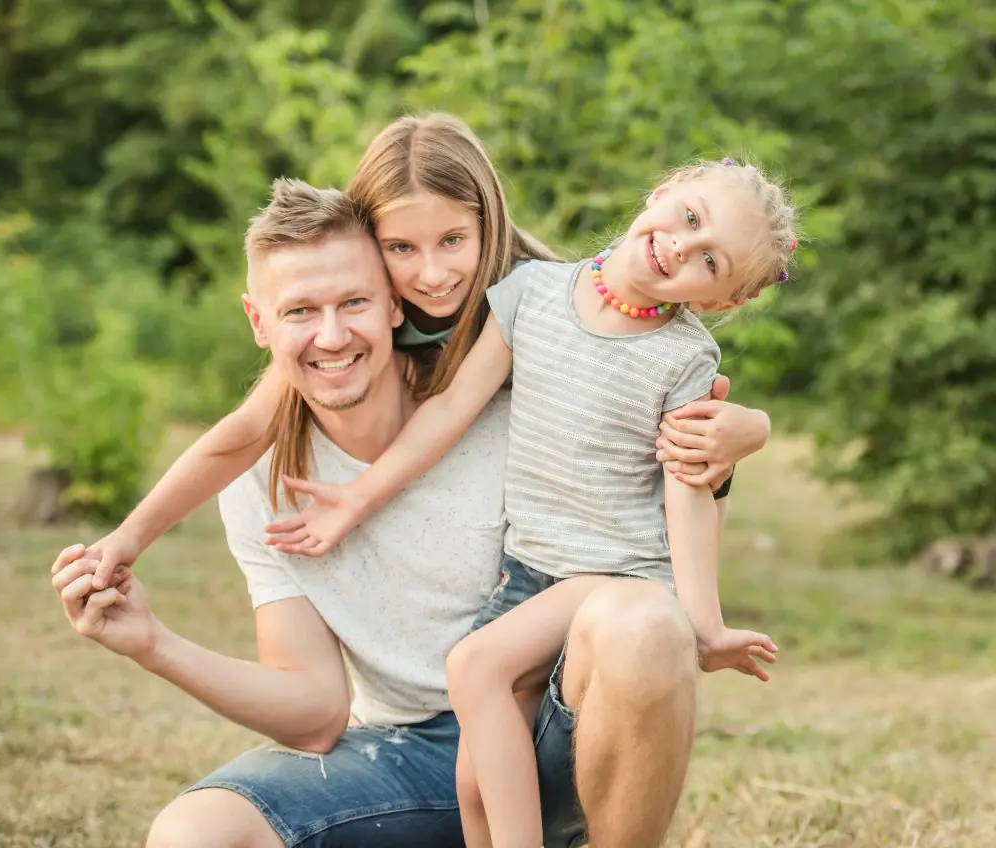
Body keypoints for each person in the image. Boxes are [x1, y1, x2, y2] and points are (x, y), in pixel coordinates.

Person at [57, 178, 696, 848]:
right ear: (258, 321)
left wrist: (733, 433)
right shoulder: (258, 483)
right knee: (193, 834)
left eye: (354, 302)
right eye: (300, 310)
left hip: (559, 736)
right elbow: (315, 716)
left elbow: (653, 410)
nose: (332, 336)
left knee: (643, 620)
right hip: (411, 755)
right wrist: (155, 644)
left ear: (394, 302)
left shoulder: (507, 404)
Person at [260, 156, 797, 848]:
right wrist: (358, 497)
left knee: (472, 665)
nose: (681, 245)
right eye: (689, 218)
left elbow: (688, 485)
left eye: (710, 261)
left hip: (615, 574)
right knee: (474, 782)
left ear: (721, 302)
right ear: (663, 191)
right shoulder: (532, 293)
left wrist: (706, 623)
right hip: (529, 572)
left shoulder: (681, 358)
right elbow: (450, 407)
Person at [84, 113, 770, 592]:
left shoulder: (541, 298)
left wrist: (750, 432)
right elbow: (246, 429)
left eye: (452, 241)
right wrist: (128, 537)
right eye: (400, 248)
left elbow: (663, 427)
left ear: (486, 221)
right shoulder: (361, 312)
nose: (432, 274)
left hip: (593, 558)